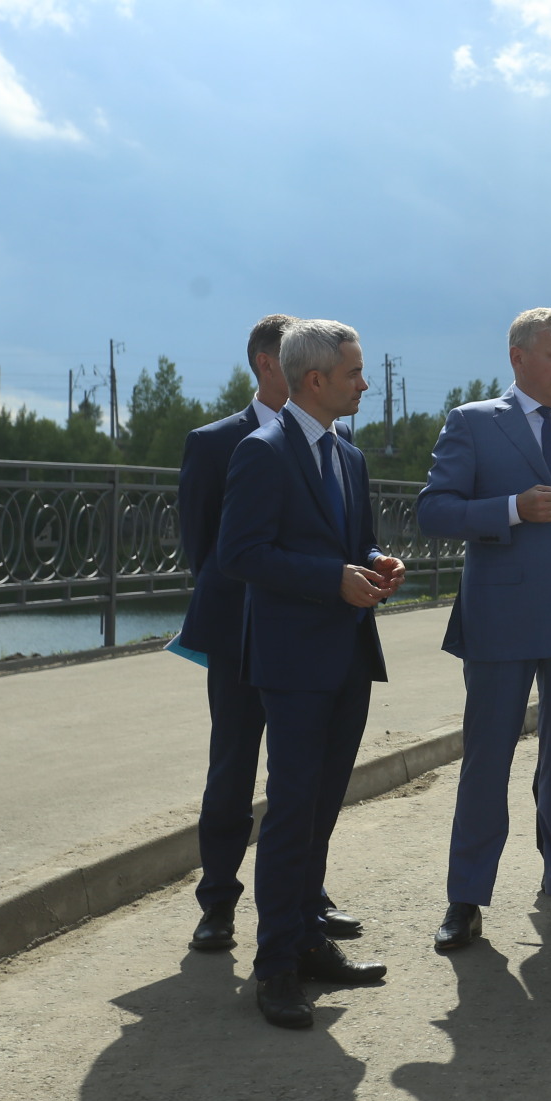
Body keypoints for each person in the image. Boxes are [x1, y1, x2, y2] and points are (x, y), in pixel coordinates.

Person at [417, 309, 551, 954]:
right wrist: (512, 509)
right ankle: (465, 900)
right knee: (487, 760)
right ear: (518, 359)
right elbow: (434, 510)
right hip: (500, 620)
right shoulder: (473, 421)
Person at [217, 319, 405, 1028]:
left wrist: (377, 561)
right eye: (355, 372)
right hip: (293, 662)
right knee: (293, 811)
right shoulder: (262, 452)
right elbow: (240, 554)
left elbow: (354, 540)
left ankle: (307, 939)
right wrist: (333, 579)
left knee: (322, 810)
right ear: (316, 379)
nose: (365, 383)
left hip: (348, 653)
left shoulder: (347, 452)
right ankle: (275, 968)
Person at [177, 314, 364, 953]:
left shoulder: (341, 445)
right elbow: (209, 551)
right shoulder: (219, 443)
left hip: (312, 639)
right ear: (269, 364)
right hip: (239, 637)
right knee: (234, 768)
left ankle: (303, 903)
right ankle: (219, 902)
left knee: (303, 780)